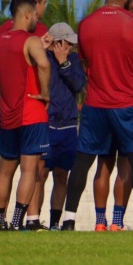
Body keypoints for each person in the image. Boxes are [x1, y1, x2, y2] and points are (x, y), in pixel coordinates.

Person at [61, 0, 133, 230]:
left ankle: (69, 219)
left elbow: (84, 64)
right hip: (128, 103)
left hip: (95, 104)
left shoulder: (86, 25)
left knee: (84, 161)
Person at [0, 0, 52, 231]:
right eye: (36, 16)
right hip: (31, 112)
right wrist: (45, 92)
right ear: (28, 14)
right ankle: (18, 220)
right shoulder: (31, 40)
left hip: (8, 113)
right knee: (29, 169)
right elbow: (44, 64)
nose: (36, 20)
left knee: (5, 170)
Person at [39, 22, 85, 231]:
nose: (72, 46)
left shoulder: (74, 60)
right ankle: (32, 221)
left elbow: (78, 84)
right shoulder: (42, 58)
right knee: (40, 173)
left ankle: (55, 223)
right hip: (46, 124)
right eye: (68, 43)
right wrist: (41, 48)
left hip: (67, 125)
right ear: (57, 42)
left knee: (61, 175)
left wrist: (64, 62)